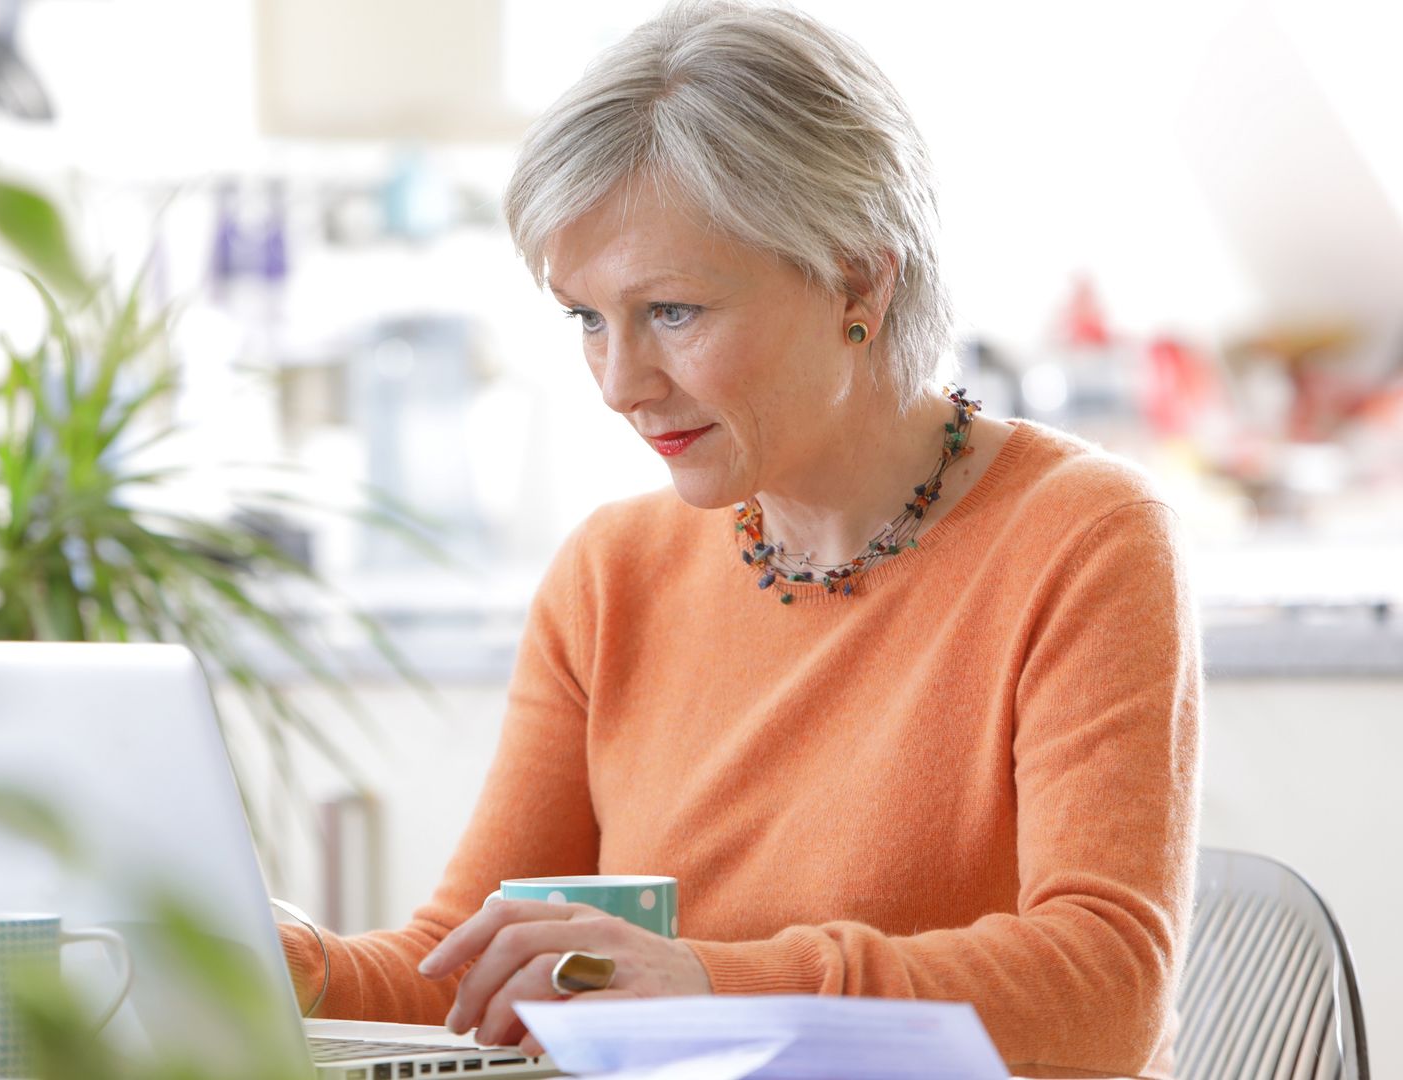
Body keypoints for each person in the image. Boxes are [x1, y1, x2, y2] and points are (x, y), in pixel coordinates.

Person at [281, 3, 1200, 1077]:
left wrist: (707, 985)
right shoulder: (609, 576)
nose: (621, 384)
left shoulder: (1083, 538)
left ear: (859, 279)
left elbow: (1104, 994)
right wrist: (279, 961)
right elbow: (467, 969)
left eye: (671, 311)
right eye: (585, 318)